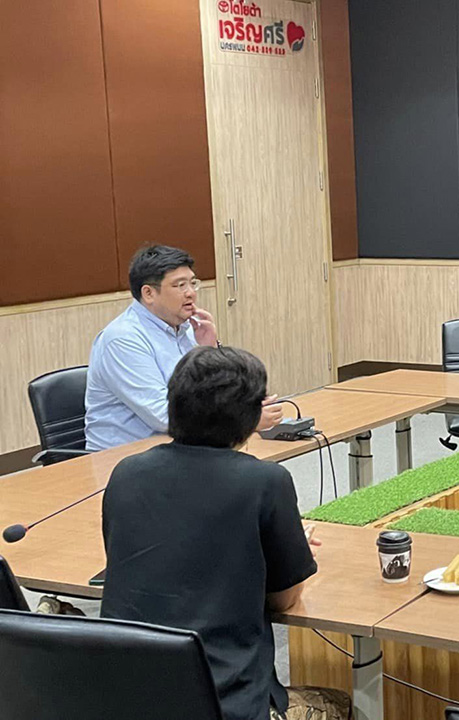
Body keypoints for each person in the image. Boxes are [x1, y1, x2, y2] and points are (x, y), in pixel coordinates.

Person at [100, 346, 351, 720]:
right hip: (222, 703)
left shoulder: (125, 473)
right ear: (250, 417)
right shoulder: (265, 481)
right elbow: (283, 601)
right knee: (337, 703)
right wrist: (294, 547)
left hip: (123, 698)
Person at [85, 245, 282, 451]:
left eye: (192, 283)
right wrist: (244, 420)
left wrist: (210, 349)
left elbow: (211, 396)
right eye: (180, 285)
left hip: (180, 447)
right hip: (124, 456)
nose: (191, 293)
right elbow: (164, 416)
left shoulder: (187, 328)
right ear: (149, 293)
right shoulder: (122, 339)